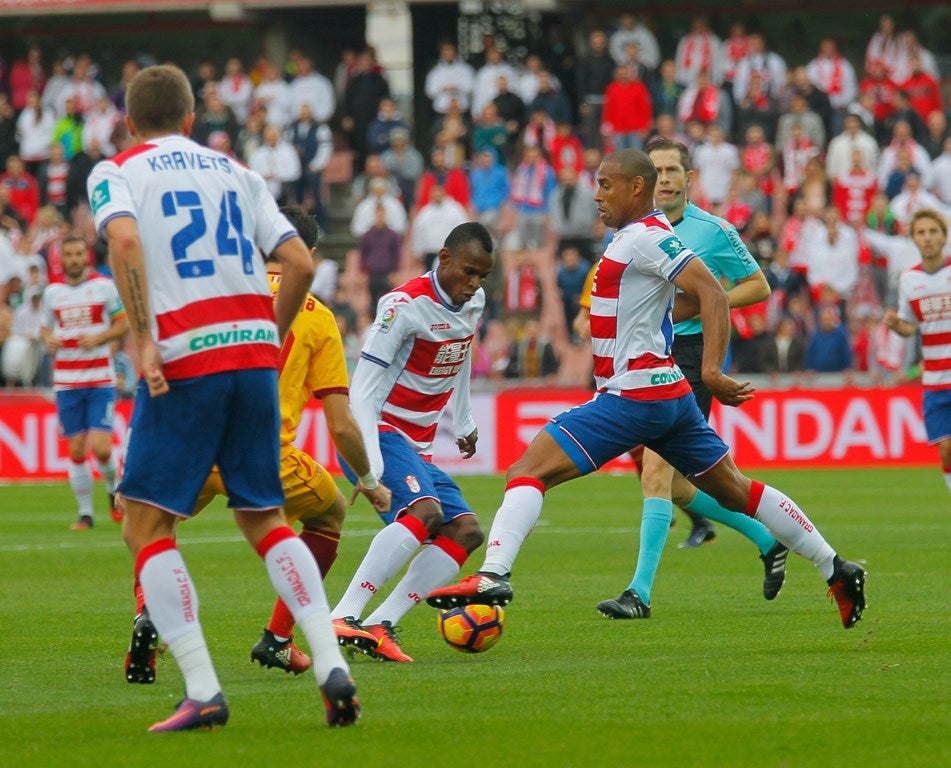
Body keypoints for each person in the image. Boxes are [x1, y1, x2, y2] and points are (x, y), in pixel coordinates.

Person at [427, 148, 867, 634]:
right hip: (669, 396)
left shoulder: (645, 237)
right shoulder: (637, 238)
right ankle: (837, 569)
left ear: (636, 188)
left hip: (634, 396)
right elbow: (670, 303)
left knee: (527, 471)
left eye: (605, 185)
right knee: (738, 491)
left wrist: (715, 372)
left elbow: (714, 293)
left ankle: (492, 576)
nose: (596, 195)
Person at [87, 64, 358, 732]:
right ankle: (329, 664)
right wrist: (272, 338)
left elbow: (123, 239)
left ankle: (203, 689)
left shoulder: (116, 170)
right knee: (264, 519)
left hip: (187, 358)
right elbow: (298, 263)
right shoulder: (241, 173)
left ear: (128, 123)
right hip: (252, 362)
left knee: (145, 525)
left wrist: (145, 339)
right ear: (190, 121)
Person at [122, 205, 392, 685]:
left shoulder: (216, 294)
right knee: (329, 513)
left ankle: (150, 614)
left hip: (196, 445)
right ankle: (279, 639)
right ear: (307, 254)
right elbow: (340, 422)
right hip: (262, 455)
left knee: (153, 527)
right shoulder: (318, 316)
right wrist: (369, 481)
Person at [329, 222, 495, 663]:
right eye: (468, 272)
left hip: (414, 446)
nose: (474, 283)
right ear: (443, 259)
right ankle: (343, 614)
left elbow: (460, 355)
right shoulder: (402, 305)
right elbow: (361, 389)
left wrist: (463, 421)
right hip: (378, 432)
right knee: (425, 513)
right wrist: (369, 469)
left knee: (466, 531)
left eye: (482, 275)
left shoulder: (473, 301)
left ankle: (382, 624)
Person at [39, 233, 127, 529]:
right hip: (67, 382)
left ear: (86, 257)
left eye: (78, 254)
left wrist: (100, 337)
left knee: (102, 448)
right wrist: (49, 340)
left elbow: (123, 322)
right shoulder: (52, 293)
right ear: (62, 259)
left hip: (100, 378)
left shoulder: (102, 287)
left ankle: (114, 490)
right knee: (77, 450)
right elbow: (44, 330)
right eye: (69, 255)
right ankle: (85, 514)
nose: (74, 259)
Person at [883, 209, 951, 492]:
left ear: (944, 236)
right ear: (913, 238)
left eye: (933, 231)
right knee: (945, 451)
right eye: (921, 232)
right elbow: (911, 328)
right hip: (934, 380)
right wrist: (897, 325)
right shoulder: (909, 280)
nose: (928, 238)